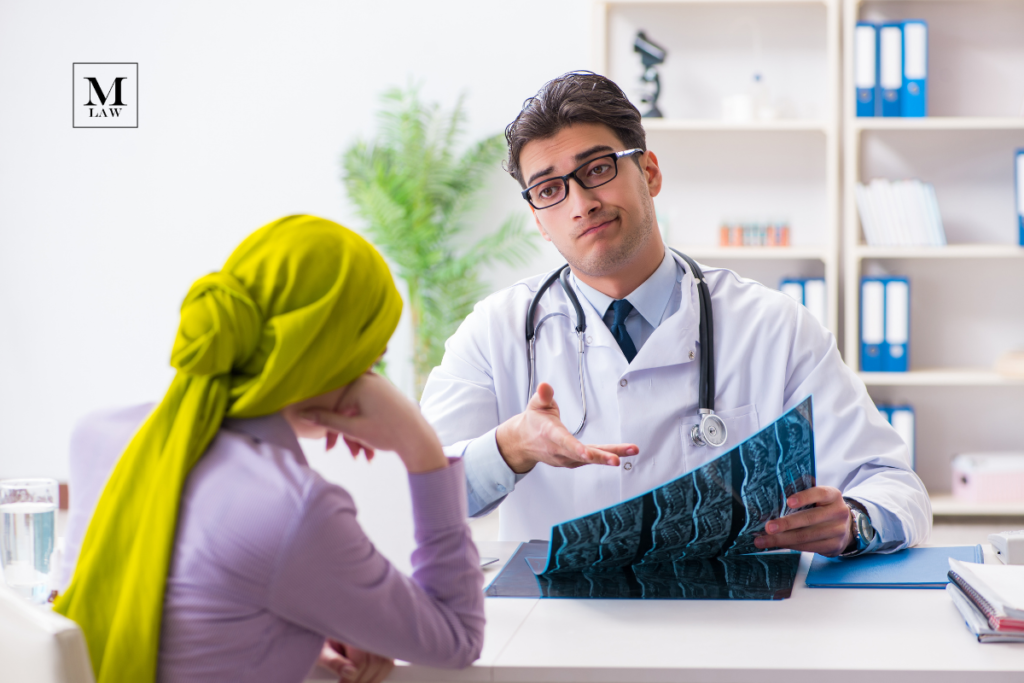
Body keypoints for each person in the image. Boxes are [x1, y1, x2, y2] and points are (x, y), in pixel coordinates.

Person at [413, 72, 932, 556]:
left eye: (597, 169)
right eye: (550, 190)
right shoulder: (495, 332)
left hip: (732, 630)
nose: (581, 203)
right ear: (539, 221)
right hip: (562, 631)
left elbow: (893, 482)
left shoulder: (774, 326)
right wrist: (510, 447)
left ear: (650, 172)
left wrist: (855, 521)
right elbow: (418, 497)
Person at [55, 215, 485, 683]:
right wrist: (420, 448)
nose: (373, 373)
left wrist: (273, 623)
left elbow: (98, 613)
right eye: (370, 356)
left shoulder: (99, 437)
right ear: (328, 355)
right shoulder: (295, 508)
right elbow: (457, 639)